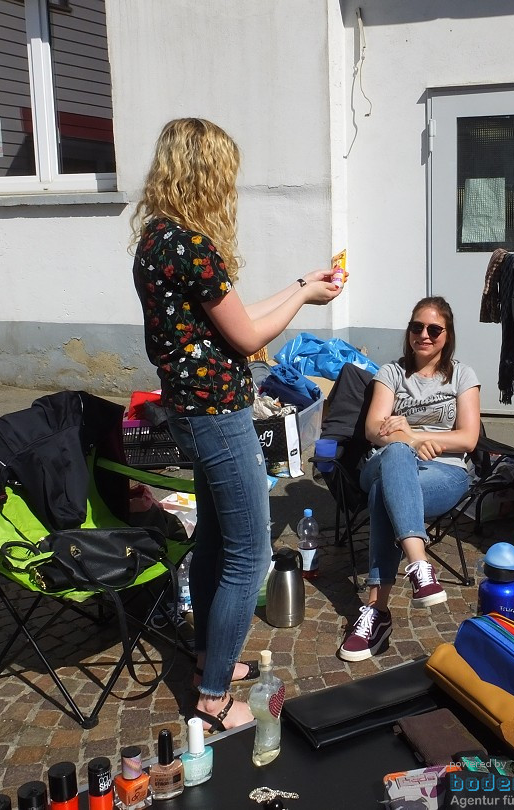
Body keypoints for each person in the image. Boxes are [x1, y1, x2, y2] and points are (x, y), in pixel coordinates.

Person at [131, 118, 341, 730]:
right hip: (217, 417)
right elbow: (249, 336)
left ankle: (206, 658)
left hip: (194, 413)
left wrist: (301, 285)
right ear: (204, 176)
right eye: (225, 176)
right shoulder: (192, 247)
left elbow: (235, 321)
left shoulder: (157, 240)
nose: (230, 189)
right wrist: (304, 300)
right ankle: (213, 696)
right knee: (249, 553)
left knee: (218, 540)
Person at [337, 296, 481, 662]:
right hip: (383, 461)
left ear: (447, 335)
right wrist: (403, 444)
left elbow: (468, 438)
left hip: (445, 471)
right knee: (395, 458)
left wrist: (412, 436)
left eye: (434, 329)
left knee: (387, 492)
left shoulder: (463, 376)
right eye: (417, 327)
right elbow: (373, 429)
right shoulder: (391, 373)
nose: (425, 335)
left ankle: (377, 611)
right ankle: (419, 563)